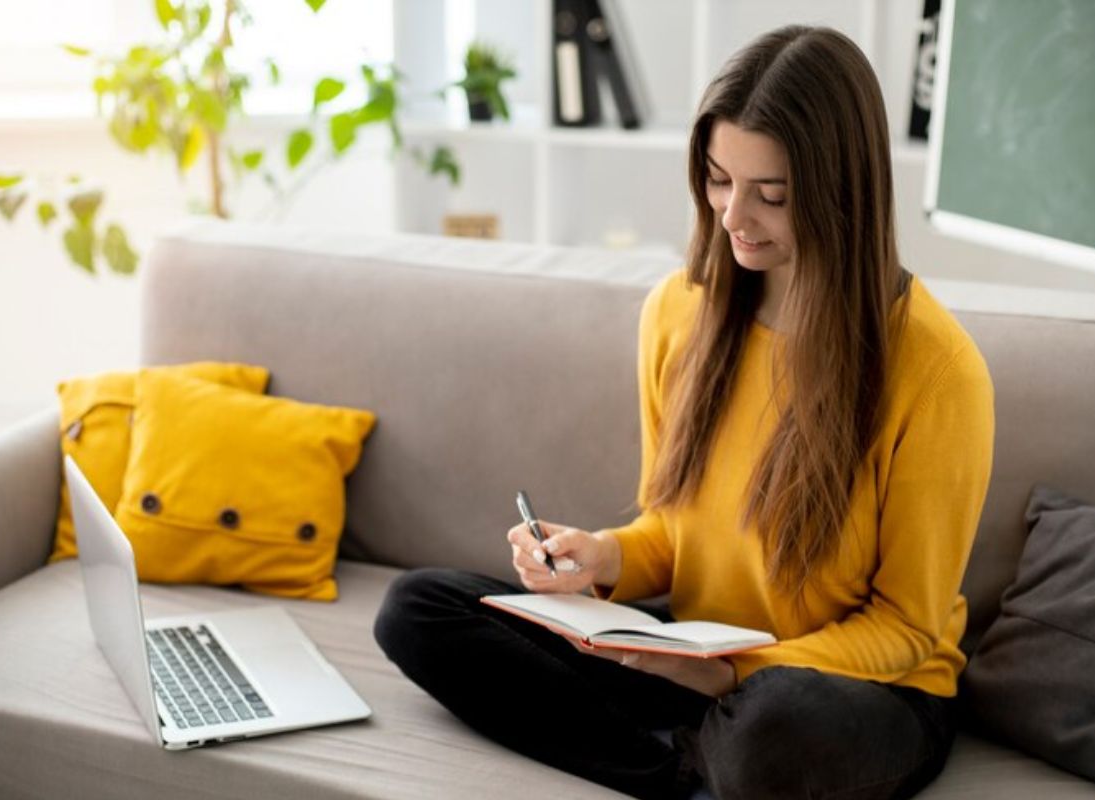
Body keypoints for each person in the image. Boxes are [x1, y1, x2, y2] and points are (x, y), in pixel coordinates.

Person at [375, 25, 994, 800]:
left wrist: (732, 673)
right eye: (717, 180)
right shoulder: (679, 311)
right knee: (417, 609)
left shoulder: (937, 370)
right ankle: (681, 774)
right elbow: (674, 531)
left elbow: (905, 630)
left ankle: (704, 753)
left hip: (856, 690)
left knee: (773, 727)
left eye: (772, 194)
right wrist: (601, 558)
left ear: (843, 189)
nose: (735, 216)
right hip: (693, 658)